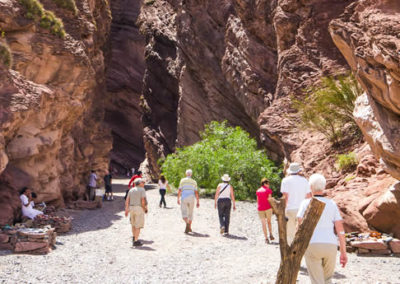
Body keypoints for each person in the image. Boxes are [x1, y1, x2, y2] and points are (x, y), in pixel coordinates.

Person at [297, 173, 347, 284]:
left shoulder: (305, 203)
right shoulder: (332, 204)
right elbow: (340, 230)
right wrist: (343, 251)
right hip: (330, 245)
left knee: (317, 281)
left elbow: (299, 225)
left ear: (310, 187)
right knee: (327, 279)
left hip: (312, 244)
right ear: (324, 187)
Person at [280, 162, 311, 244]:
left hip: (290, 208)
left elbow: (285, 197)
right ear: (298, 171)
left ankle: (291, 248)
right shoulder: (304, 181)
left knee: (290, 231)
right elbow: (308, 196)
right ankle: (301, 247)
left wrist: (283, 209)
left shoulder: (285, 181)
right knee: (301, 230)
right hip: (302, 209)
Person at [125, 178, 148, 247]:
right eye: (143, 182)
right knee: (138, 225)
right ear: (140, 183)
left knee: (133, 224)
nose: (144, 183)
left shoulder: (131, 190)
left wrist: (126, 210)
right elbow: (143, 200)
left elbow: (127, 200)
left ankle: (134, 237)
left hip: (131, 208)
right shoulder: (142, 190)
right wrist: (145, 208)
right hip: (139, 208)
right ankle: (136, 241)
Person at [177, 169, 199, 233]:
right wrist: (198, 201)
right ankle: (189, 227)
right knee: (190, 213)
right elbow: (196, 192)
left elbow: (180, 190)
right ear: (191, 174)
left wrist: (178, 198)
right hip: (192, 198)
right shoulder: (194, 182)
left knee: (184, 213)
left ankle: (187, 224)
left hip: (184, 198)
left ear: (186, 174)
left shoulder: (182, 180)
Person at [256, 178, 274, 243]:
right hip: (268, 208)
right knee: (269, 222)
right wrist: (273, 208)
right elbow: (270, 199)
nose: (268, 185)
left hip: (260, 208)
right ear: (265, 183)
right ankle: (271, 234)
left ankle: (266, 238)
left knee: (263, 224)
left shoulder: (258, 191)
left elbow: (257, 200)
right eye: (268, 183)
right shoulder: (268, 190)